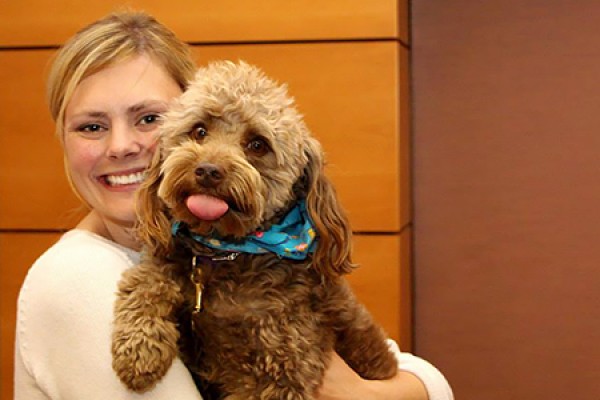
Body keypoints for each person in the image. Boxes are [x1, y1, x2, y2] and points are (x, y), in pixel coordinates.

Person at [14, 11, 454, 400]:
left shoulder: (278, 257)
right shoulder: (74, 281)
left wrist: (373, 394)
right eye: (91, 126)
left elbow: (425, 379)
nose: (122, 145)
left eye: (148, 118)